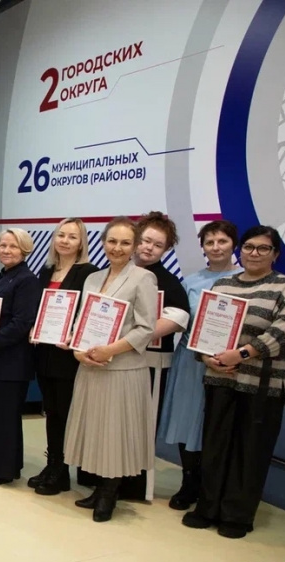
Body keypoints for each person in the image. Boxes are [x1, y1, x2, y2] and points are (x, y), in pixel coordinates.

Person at [183, 225, 285, 539]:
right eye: (248, 247)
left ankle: (237, 516)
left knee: (251, 451)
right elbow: (204, 329)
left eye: (263, 248)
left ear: (275, 254)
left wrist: (242, 354)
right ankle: (208, 508)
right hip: (220, 379)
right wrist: (205, 356)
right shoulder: (222, 285)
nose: (254, 253)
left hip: (263, 385)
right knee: (215, 447)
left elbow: (282, 333)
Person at [65, 217, 158, 523]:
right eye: (112, 241)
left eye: (125, 243)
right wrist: (78, 350)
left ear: (135, 246)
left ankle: (110, 493)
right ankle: (97, 487)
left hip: (122, 369)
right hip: (90, 366)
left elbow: (146, 328)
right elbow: (82, 321)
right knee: (95, 429)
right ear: (103, 242)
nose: (117, 248)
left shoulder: (143, 278)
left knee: (115, 433)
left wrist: (110, 350)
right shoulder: (93, 278)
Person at [158, 221, 240, 510]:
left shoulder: (245, 279)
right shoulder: (191, 282)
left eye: (222, 241)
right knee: (187, 421)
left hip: (230, 366)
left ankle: (212, 486)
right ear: (203, 247)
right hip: (191, 362)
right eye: (210, 242)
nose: (216, 247)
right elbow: (181, 319)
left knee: (216, 424)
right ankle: (189, 481)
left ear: (234, 244)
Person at [116, 210, 189, 501]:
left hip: (150, 363)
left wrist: (131, 337)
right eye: (145, 241)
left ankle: (133, 487)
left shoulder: (167, 281)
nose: (148, 248)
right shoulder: (119, 271)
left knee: (140, 426)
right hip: (115, 359)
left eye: (158, 245)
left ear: (166, 249)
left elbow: (178, 316)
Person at [28, 218, 98, 495]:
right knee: (52, 412)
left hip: (67, 355)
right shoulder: (47, 271)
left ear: (81, 243)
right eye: (61, 235)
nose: (65, 241)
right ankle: (52, 464)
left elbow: (90, 312)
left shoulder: (88, 273)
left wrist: (73, 334)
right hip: (45, 351)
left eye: (72, 237)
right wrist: (34, 326)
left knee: (66, 413)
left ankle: (63, 471)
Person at [0, 229, 42, 485]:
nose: (6, 250)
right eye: (3, 245)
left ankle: (2, 471)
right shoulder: (3, 275)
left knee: (4, 418)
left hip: (10, 361)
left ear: (24, 250)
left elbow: (22, 322)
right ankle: (0, 462)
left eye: (13, 246)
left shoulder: (27, 280)